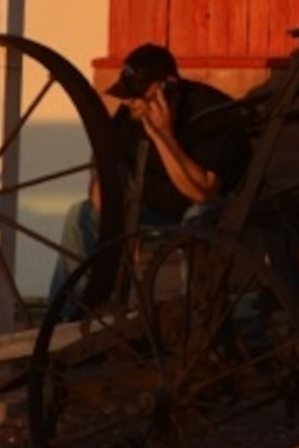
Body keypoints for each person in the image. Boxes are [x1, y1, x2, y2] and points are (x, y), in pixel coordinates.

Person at [53, 42, 255, 311]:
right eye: (127, 95)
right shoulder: (131, 114)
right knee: (80, 217)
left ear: (167, 86)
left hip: (215, 210)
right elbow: (104, 177)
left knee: (197, 221)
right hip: (152, 209)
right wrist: (117, 218)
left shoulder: (211, 112)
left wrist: (164, 134)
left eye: (138, 96)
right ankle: (69, 317)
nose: (128, 102)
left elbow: (202, 191)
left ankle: (192, 320)